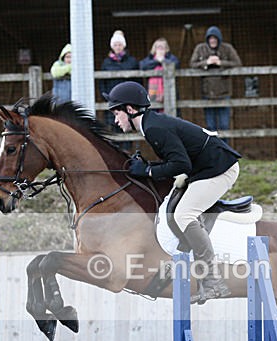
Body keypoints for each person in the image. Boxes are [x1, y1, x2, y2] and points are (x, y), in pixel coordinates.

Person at [103, 81, 241, 303]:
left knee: (183, 214)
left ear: (130, 109)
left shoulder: (153, 127)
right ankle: (181, 260)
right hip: (205, 168)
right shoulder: (150, 125)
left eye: (116, 112)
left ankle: (213, 281)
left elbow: (181, 165)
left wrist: (148, 171)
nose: (115, 119)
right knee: (171, 207)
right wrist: (150, 168)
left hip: (219, 169)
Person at [189, 26, 241, 134]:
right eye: (210, 38)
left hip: (224, 92)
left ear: (219, 39)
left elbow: (237, 63)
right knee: (210, 127)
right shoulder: (200, 48)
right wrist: (206, 63)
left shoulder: (227, 48)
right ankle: (212, 150)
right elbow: (192, 64)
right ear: (207, 39)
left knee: (224, 125)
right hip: (207, 92)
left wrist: (221, 63)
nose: (213, 41)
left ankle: (224, 149)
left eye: (215, 38)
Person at [100, 30, 139, 148]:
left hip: (127, 100)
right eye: (115, 45)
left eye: (120, 45)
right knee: (113, 126)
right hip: (112, 99)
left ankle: (128, 153)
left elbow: (137, 80)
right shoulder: (106, 63)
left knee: (128, 125)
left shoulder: (132, 61)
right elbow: (102, 82)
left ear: (124, 46)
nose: (118, 47)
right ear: (112, 46)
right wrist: (105, 96)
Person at [140, 38, 180, 107]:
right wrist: (157, 61)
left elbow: (176, 64)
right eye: (158, 47)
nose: (160, 49)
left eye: (162, 47)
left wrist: (163, 60)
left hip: (169, 90)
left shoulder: (171, 58)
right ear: (154, 49)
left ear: (166, 48)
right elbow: (142, 66)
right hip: (153, 91)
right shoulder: (150, 58)